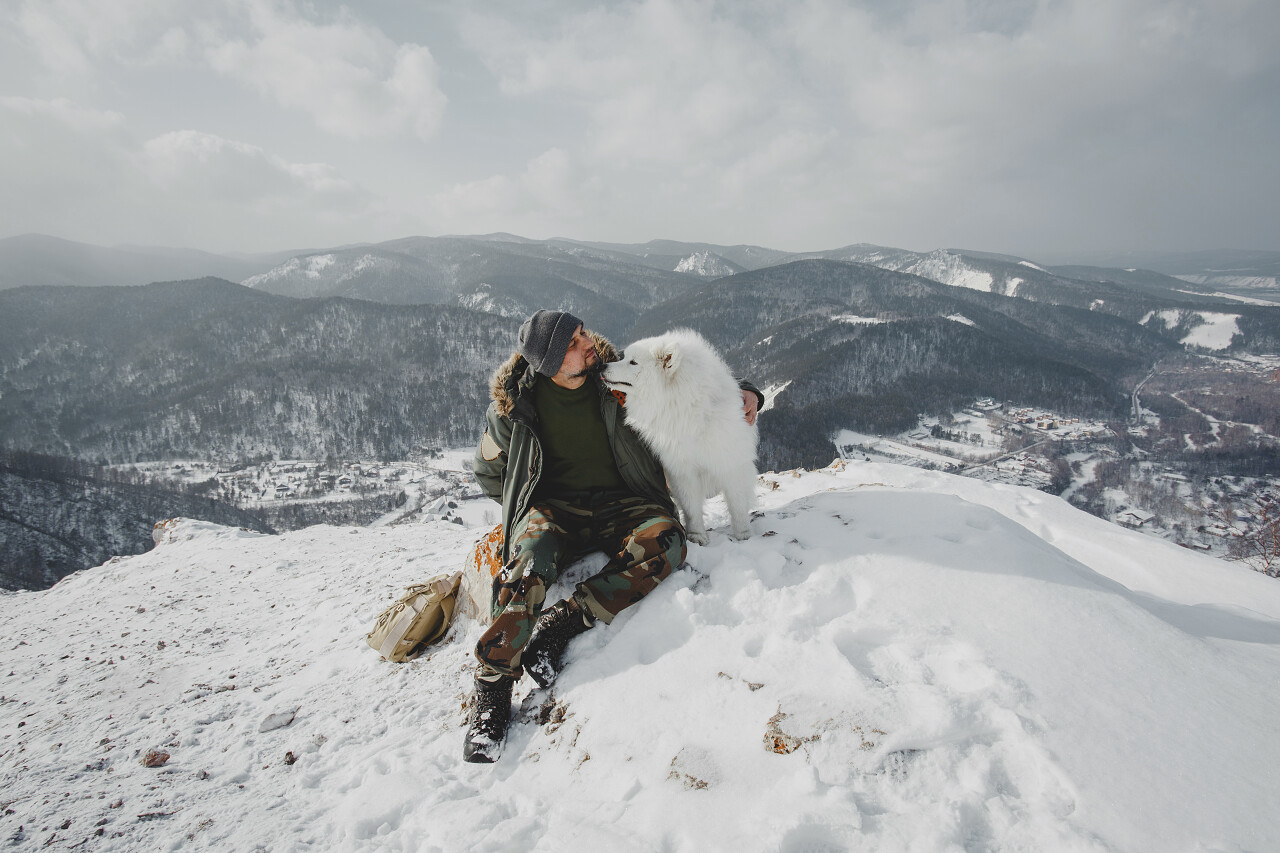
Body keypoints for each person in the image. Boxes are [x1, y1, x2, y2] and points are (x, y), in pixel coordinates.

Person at [464, 309, 762, 763]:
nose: (588, 343)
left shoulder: (613, 376)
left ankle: (565, 622)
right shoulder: (513, 409)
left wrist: (748, 392)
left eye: (582, 332)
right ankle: (493, 687)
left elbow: (687, 381)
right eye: (573, 343)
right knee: (527, 563)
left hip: (622, 503)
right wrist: (526, 505)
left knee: (667, 541)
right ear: (549, 362)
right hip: (555, 511)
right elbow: (489, 473)